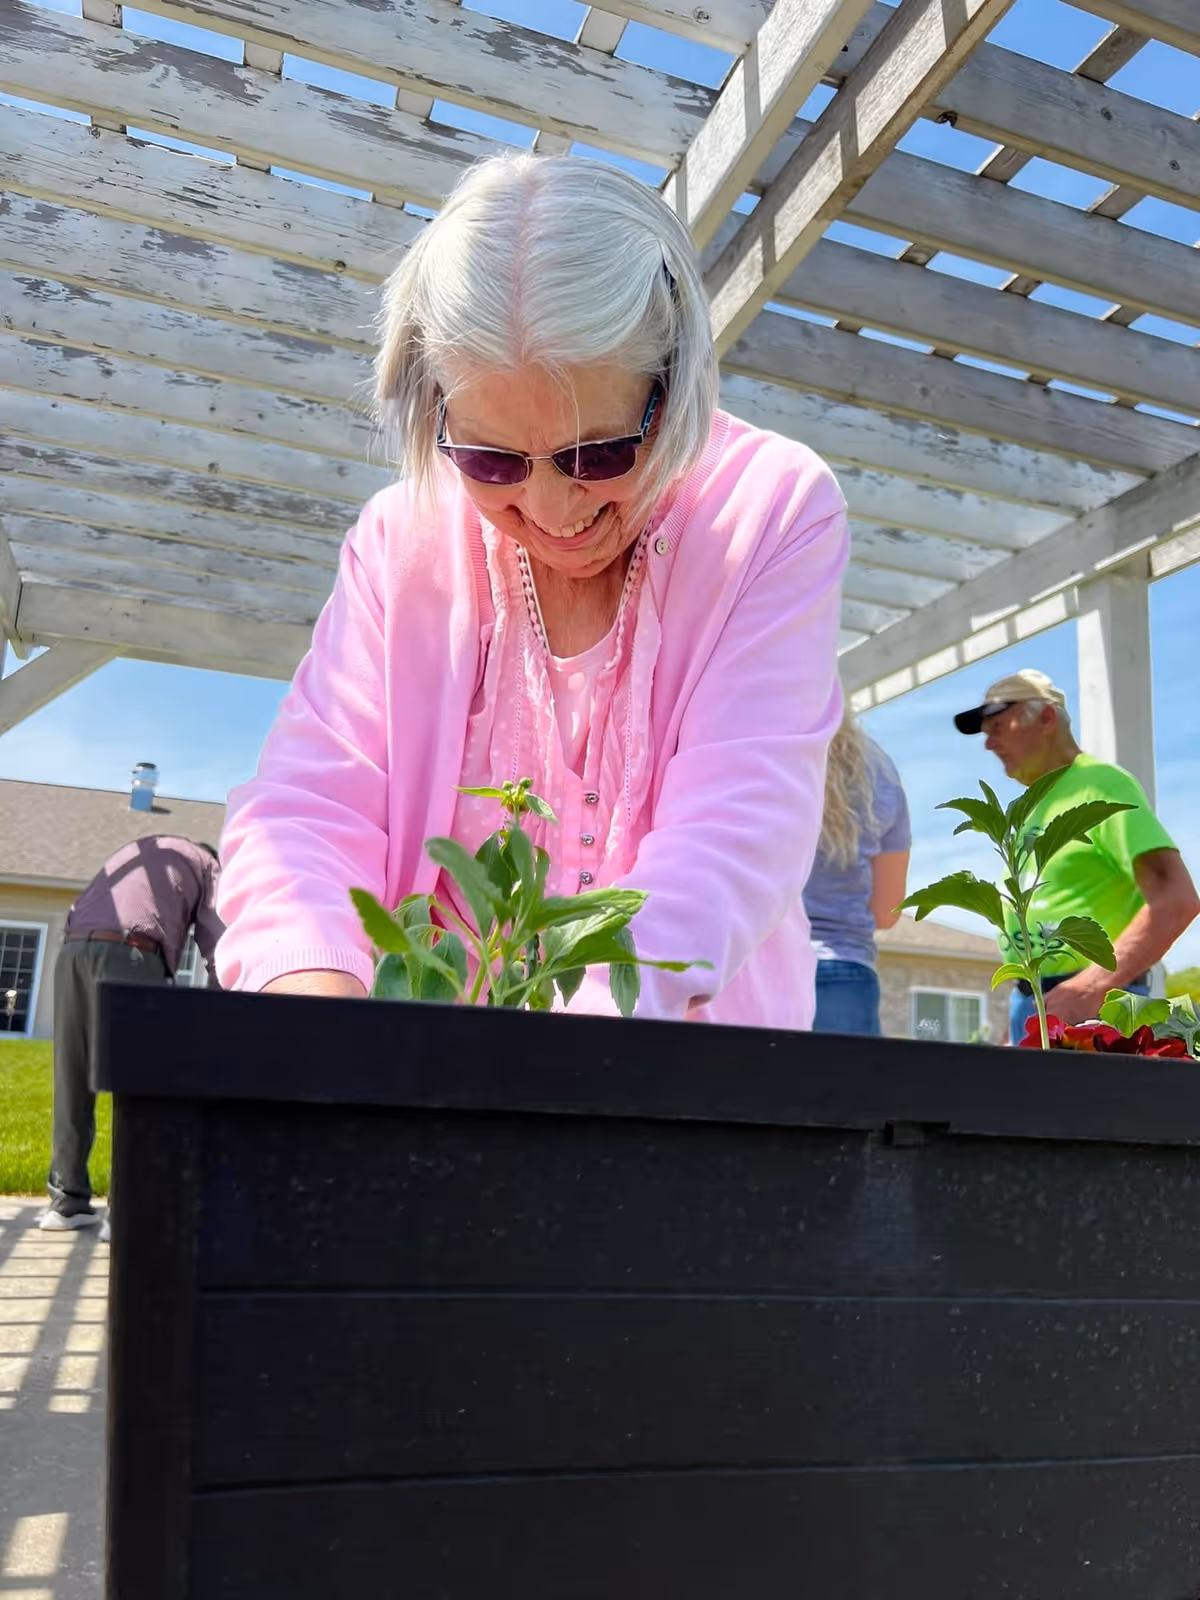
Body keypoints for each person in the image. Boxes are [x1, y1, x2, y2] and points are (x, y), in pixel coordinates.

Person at [216, 153, 848, 1028]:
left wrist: (555, 1068)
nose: (553, 511)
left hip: (692, 1085)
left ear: (678, 384)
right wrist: (316, 1020)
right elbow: (309, 808)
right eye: (491, 460)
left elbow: (737, 826)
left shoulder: (771, 509)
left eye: (601, 454)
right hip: (429, 1082)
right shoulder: (401, 542)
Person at [954, 668, 1199, 1045]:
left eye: (999, 726)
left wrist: (1093, 984)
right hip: (1042, 1001)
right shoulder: (1035, 804)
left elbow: (1176, 899)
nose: (989, 744)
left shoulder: (1099, 784)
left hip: (1098, 1009)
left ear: (1047, 718)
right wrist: (1021, 1017)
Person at [38, 836, 223, 1238]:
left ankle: (67, 1203)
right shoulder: (207, 866)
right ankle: (126, 1210)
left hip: (71, 951)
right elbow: (216, 943)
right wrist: (217, 1013)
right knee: (139, 1083)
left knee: (71, 1078)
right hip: (133, 953)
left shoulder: (145, 850)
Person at [803, 716, 910, 1034]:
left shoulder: (762, 748)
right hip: (847, 972)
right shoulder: (879, 766)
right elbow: (886, 911)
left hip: (763, 968)